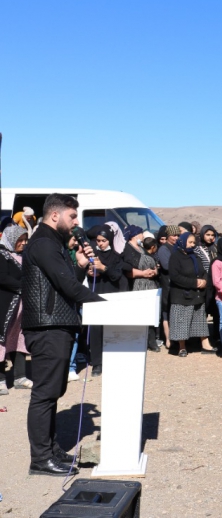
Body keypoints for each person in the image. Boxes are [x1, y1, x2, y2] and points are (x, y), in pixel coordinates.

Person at [21, 193, 104, 476]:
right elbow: (67, 286)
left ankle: (51, 449)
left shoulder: (52, 244)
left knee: (54, 392)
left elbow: (64, 281)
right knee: (45, 394)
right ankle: (40, 459)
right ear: (55, 215)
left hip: (57, 325)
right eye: (72, 216)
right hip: (47, 328)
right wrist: (107, 306)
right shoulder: (44, 243)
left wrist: (80, 264)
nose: (76, 222)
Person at [86, 224, 126, 376]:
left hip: (111, 296)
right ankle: (97, 363)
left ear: (109, 240)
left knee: (111, 330)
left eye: (103, 240)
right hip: (96, 296)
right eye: (98, 240)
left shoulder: (116, 256)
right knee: (96, 330)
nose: (100, 243)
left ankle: (112, 360)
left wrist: (103, 268)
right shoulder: (93, 254)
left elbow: (116, 275)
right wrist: (90, 272)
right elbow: (88, 273)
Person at [168, 233, 215, 357]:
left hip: (197, 295)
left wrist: (204, 281)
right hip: (182, 295)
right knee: (181, 322)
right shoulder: (175, 256)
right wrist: (194, 283)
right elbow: (175, 276)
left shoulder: (195, 256)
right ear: (183, 242)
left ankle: (205, 344)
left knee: (200, 321)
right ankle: (182, 347)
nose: (192, 245)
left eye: (194, 242)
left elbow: (203, 271)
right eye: (190, 242)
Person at [0, 224, 31, 394]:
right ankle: (1, 379)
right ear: (11, 239)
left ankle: (20, 376)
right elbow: (2, 277)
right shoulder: (2, 255)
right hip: (5, 307)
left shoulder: (22, 256)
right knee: (1, 341)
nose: (23, 243)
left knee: (20, 339)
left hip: (21, 307)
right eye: (20, 240)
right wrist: (24, 286)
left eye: (25, 240)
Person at [157, 225, 181, 347]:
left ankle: (177, 338)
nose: (176, 238)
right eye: (173, 235)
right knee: (166, 311)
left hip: (177, 284)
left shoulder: (177, 248)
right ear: (168, 236)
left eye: (178, 235)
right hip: (167, 284)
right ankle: (168, 339)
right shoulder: (163, 249)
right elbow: (166, 266)